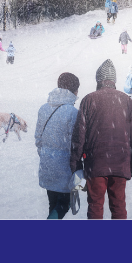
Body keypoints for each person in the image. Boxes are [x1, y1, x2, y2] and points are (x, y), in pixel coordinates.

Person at [69, 60, 132, 219]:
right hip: (120, 163)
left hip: (95, 164)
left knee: (95, 205)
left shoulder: (89, 100)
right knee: (119, 206)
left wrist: (76, 164)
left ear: (98, 80)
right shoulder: (126, 101)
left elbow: (79, 136)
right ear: (114, 80)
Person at [36, 72, 80, 219]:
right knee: (64, 203)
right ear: (74, 90)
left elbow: (38, 139)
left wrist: (47, 154)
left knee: (53, 203)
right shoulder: (72, 112)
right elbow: (76, 144)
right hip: (64, 167)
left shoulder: (43, 108)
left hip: (46, 164)